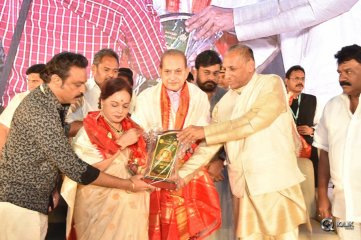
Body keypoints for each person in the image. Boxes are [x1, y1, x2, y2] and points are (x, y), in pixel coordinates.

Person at [0, 52, 152, 240]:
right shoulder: (40, 111)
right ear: (56, 80)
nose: (82, 90)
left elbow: (53, 142)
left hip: (34, 202)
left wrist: (51, 189)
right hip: (19, 205)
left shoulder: (52, 105)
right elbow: (75, 168)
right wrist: (128, 184)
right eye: (77, 84)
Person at [178, 44, 309, 239]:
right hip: (243, 187)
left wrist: (204, 131)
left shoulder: (270, 84)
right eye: (225, 69)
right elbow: (210, 145)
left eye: (233, 69)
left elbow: (252, 122)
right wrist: (181, 175)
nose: (227, 75)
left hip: (274, 183)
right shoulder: (224, 103)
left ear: (250, 65)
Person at [185, 0, 361, 112]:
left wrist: (236, 17)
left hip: (342, 90)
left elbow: (312, 6)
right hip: (301, 95)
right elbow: (274, 27)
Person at [132, 49, 221, 240]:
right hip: (153, 172)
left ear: (188, 70)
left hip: (187, 173)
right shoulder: (145, 98)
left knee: (188, 229)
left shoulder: (198, 97)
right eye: (167, 72)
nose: (173, 77)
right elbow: (138, 136)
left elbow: (203, 137)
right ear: (159, 71)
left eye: (178, 71)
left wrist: (182, 170)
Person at [61, 77, 149, 240]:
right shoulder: (88, 130)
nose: (120, 111)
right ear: (101, 101)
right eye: (114, 105)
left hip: (132, 203)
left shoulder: (132, 129)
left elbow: (139, 162)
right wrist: (120, 144)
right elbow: (86, 173)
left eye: (125, 106)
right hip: (98, 203)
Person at [314, 44, 361, 239]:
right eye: (340, 72)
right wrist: (323, 196)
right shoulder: (332, 107)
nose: (342, 78)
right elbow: (324, 154)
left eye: (349, 71)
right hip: (344, 208)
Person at [194, 50, 234, 239]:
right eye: (206, 73)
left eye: (216, 73)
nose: (212, 78)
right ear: (195, 72)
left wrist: (220, 160)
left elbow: (234, 133)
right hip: (191, 169)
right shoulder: (187, 96)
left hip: (219, 171)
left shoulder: (229, 99)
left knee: (220, 226)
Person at [66, 48, 120, 136]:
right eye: (106, 70)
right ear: (94, 68)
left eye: (115, 71)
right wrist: (98, 126)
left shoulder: (121, 94)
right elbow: (66, 128)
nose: (111, 75)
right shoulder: (81, 90)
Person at [0, 63, 46, 152]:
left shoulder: (60, 101)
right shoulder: (20, 98)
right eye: (28, 81)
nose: (30, 85)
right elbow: (3, 128)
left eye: (35, 81)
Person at [285, 65, 319, 186]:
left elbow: (322, 124)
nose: (300, 82)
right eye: (296, 78)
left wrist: (312, 130)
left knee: (312, 184)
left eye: (302, 79)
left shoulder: (312, 100)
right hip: (286, 150)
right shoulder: (279, 99)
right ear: (286, 80)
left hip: (309, 149)